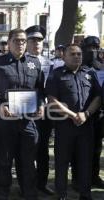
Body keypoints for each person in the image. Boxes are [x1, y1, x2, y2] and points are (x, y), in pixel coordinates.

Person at [0, 28, 44, 200]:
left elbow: (40, 89)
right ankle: (4, 191)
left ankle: (28, 191)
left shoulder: (35, 62)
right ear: (9, 43)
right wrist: (0, 105)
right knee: (4, 159)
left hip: (27, 121)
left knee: (27, 159)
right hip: (5, 121)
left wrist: (40, 104)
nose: (20, 44)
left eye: (23, 41)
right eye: (16, 41)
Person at [45, 44, 101, 200]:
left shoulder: (90, 73)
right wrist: (73, 115)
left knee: (85, 161)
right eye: (73, 54)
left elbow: (98, 97)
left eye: (79, 54)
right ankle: (61, 194)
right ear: (64, 56)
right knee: (62, 162)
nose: (77, 56)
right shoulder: (56, 74)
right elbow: (51, 100)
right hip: (65, 126)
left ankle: (85, 193)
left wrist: (86, 114)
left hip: (86, 126)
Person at [25, 25, 54, 195]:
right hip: (25, 110)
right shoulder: (20, 61)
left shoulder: (49, 63)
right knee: (27, 150)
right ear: (27, 42)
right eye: (33, 40)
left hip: (45, 112)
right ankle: (27, 184)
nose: (36, 43)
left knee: (43, 149)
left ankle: (42, 183)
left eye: (39, 40)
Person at [80, 36, 104, 189]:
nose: (93, 51)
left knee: (96, 148)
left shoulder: (101, 67)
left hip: (99, 114)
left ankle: (94, 176)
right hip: (81, 114)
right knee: (80, 149)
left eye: (96, 48)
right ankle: (79, 178)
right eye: (90, 48)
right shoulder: (77, 63)